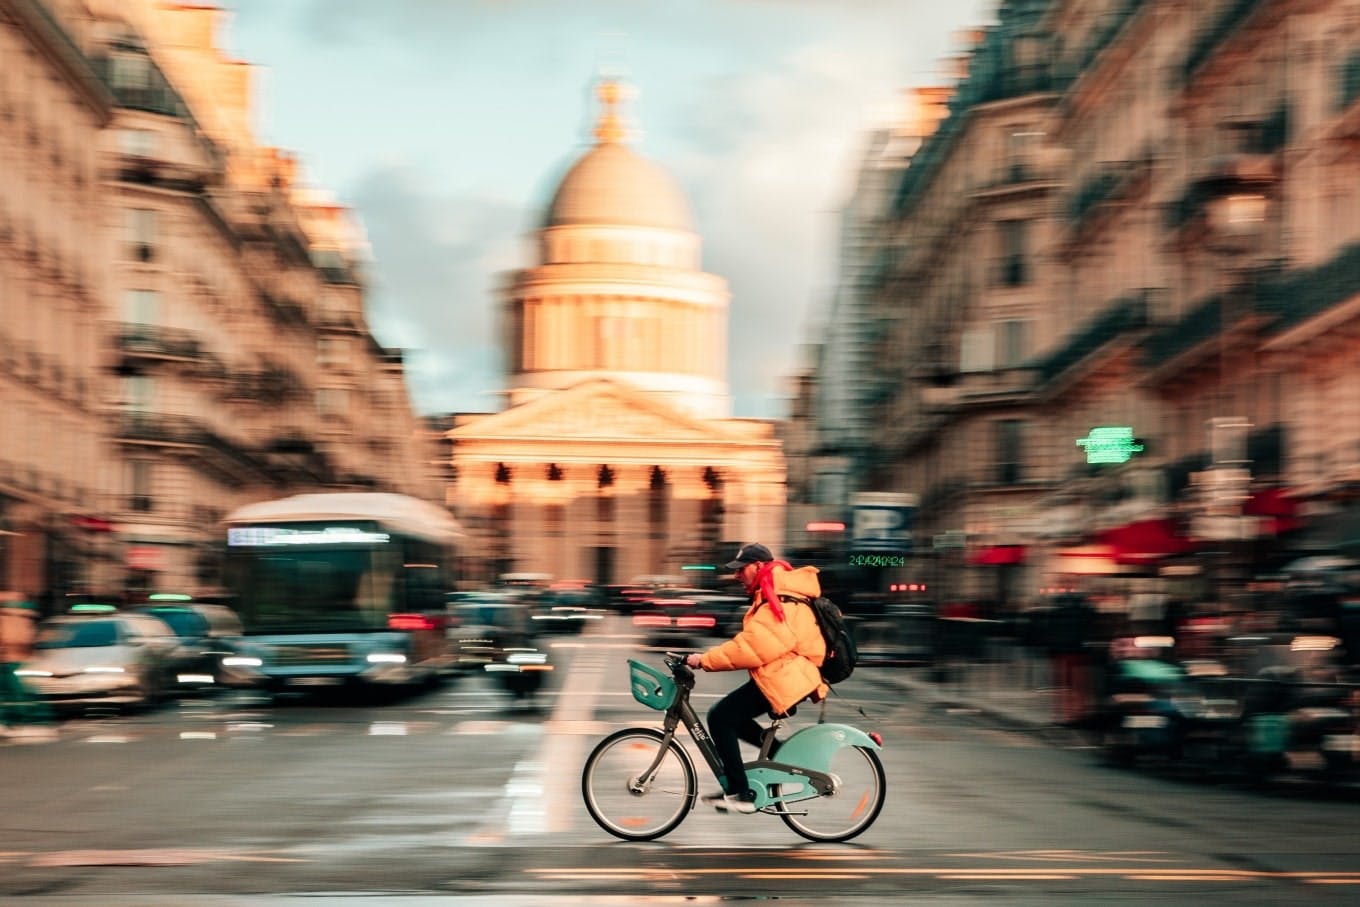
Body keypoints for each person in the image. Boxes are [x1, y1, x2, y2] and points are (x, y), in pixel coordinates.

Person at [684, 543, 827, 813]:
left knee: (721, 717)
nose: (737, 576)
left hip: (788, 676)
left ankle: (741, 793)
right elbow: (756, 644)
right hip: (785, 673)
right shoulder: (774, 592)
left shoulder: (779, 597)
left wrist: (704, 660)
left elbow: (754, 647)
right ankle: (783, 758)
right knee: (731, 717)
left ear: (759, 566)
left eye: (741, 570)